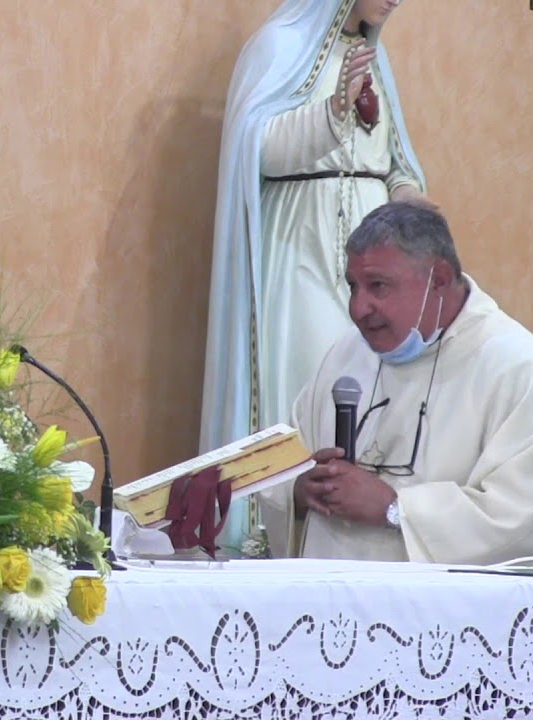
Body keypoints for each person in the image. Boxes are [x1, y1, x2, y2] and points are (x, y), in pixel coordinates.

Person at [201, 0, 432, 552]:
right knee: (315, 378)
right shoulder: (278, 47)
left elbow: (395, 157)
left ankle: (356, 540)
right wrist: (331, 112)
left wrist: (407, 197)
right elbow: (253, 148)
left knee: (380, 389)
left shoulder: (374, 57)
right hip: (302, 242)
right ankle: (281, 540)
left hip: (377, 248)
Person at [259, 202, 533, 564]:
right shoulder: (347, 354)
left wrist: (394, 508)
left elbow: (523, 517)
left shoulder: (516, 369)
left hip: (446, 616)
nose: (358, 308)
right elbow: (286, 464)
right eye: (353, 286)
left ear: (440, 279)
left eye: (378, 286)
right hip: (333, 604)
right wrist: (302, 490)